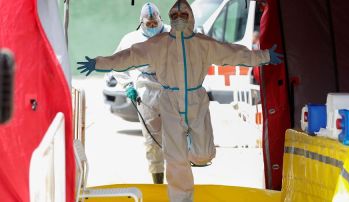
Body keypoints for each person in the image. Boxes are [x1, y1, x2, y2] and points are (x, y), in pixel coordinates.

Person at [77, 0, 283, 201]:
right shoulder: (158, 44)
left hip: (196, 98)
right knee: (174, 158)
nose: (178, 19)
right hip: (169, 101)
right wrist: (99, 63)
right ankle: (181, 198)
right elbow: (128, 56)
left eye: (183, 15)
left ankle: (192, 154)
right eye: (174, 15)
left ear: (191, 17)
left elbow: (234, 53)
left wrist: (263, 56)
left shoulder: (203, 43)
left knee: (203, 153)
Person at [112, 2, 170, 184]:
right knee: (152, 143)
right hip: (146, 94)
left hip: (172, 90)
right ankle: (158, 182)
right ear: (141, 23)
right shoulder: (131, 40)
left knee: (177, 140)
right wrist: (128, 85)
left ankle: (179, 183)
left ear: (161, 19)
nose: (153, 28)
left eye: (156, 24)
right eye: (149, 25)